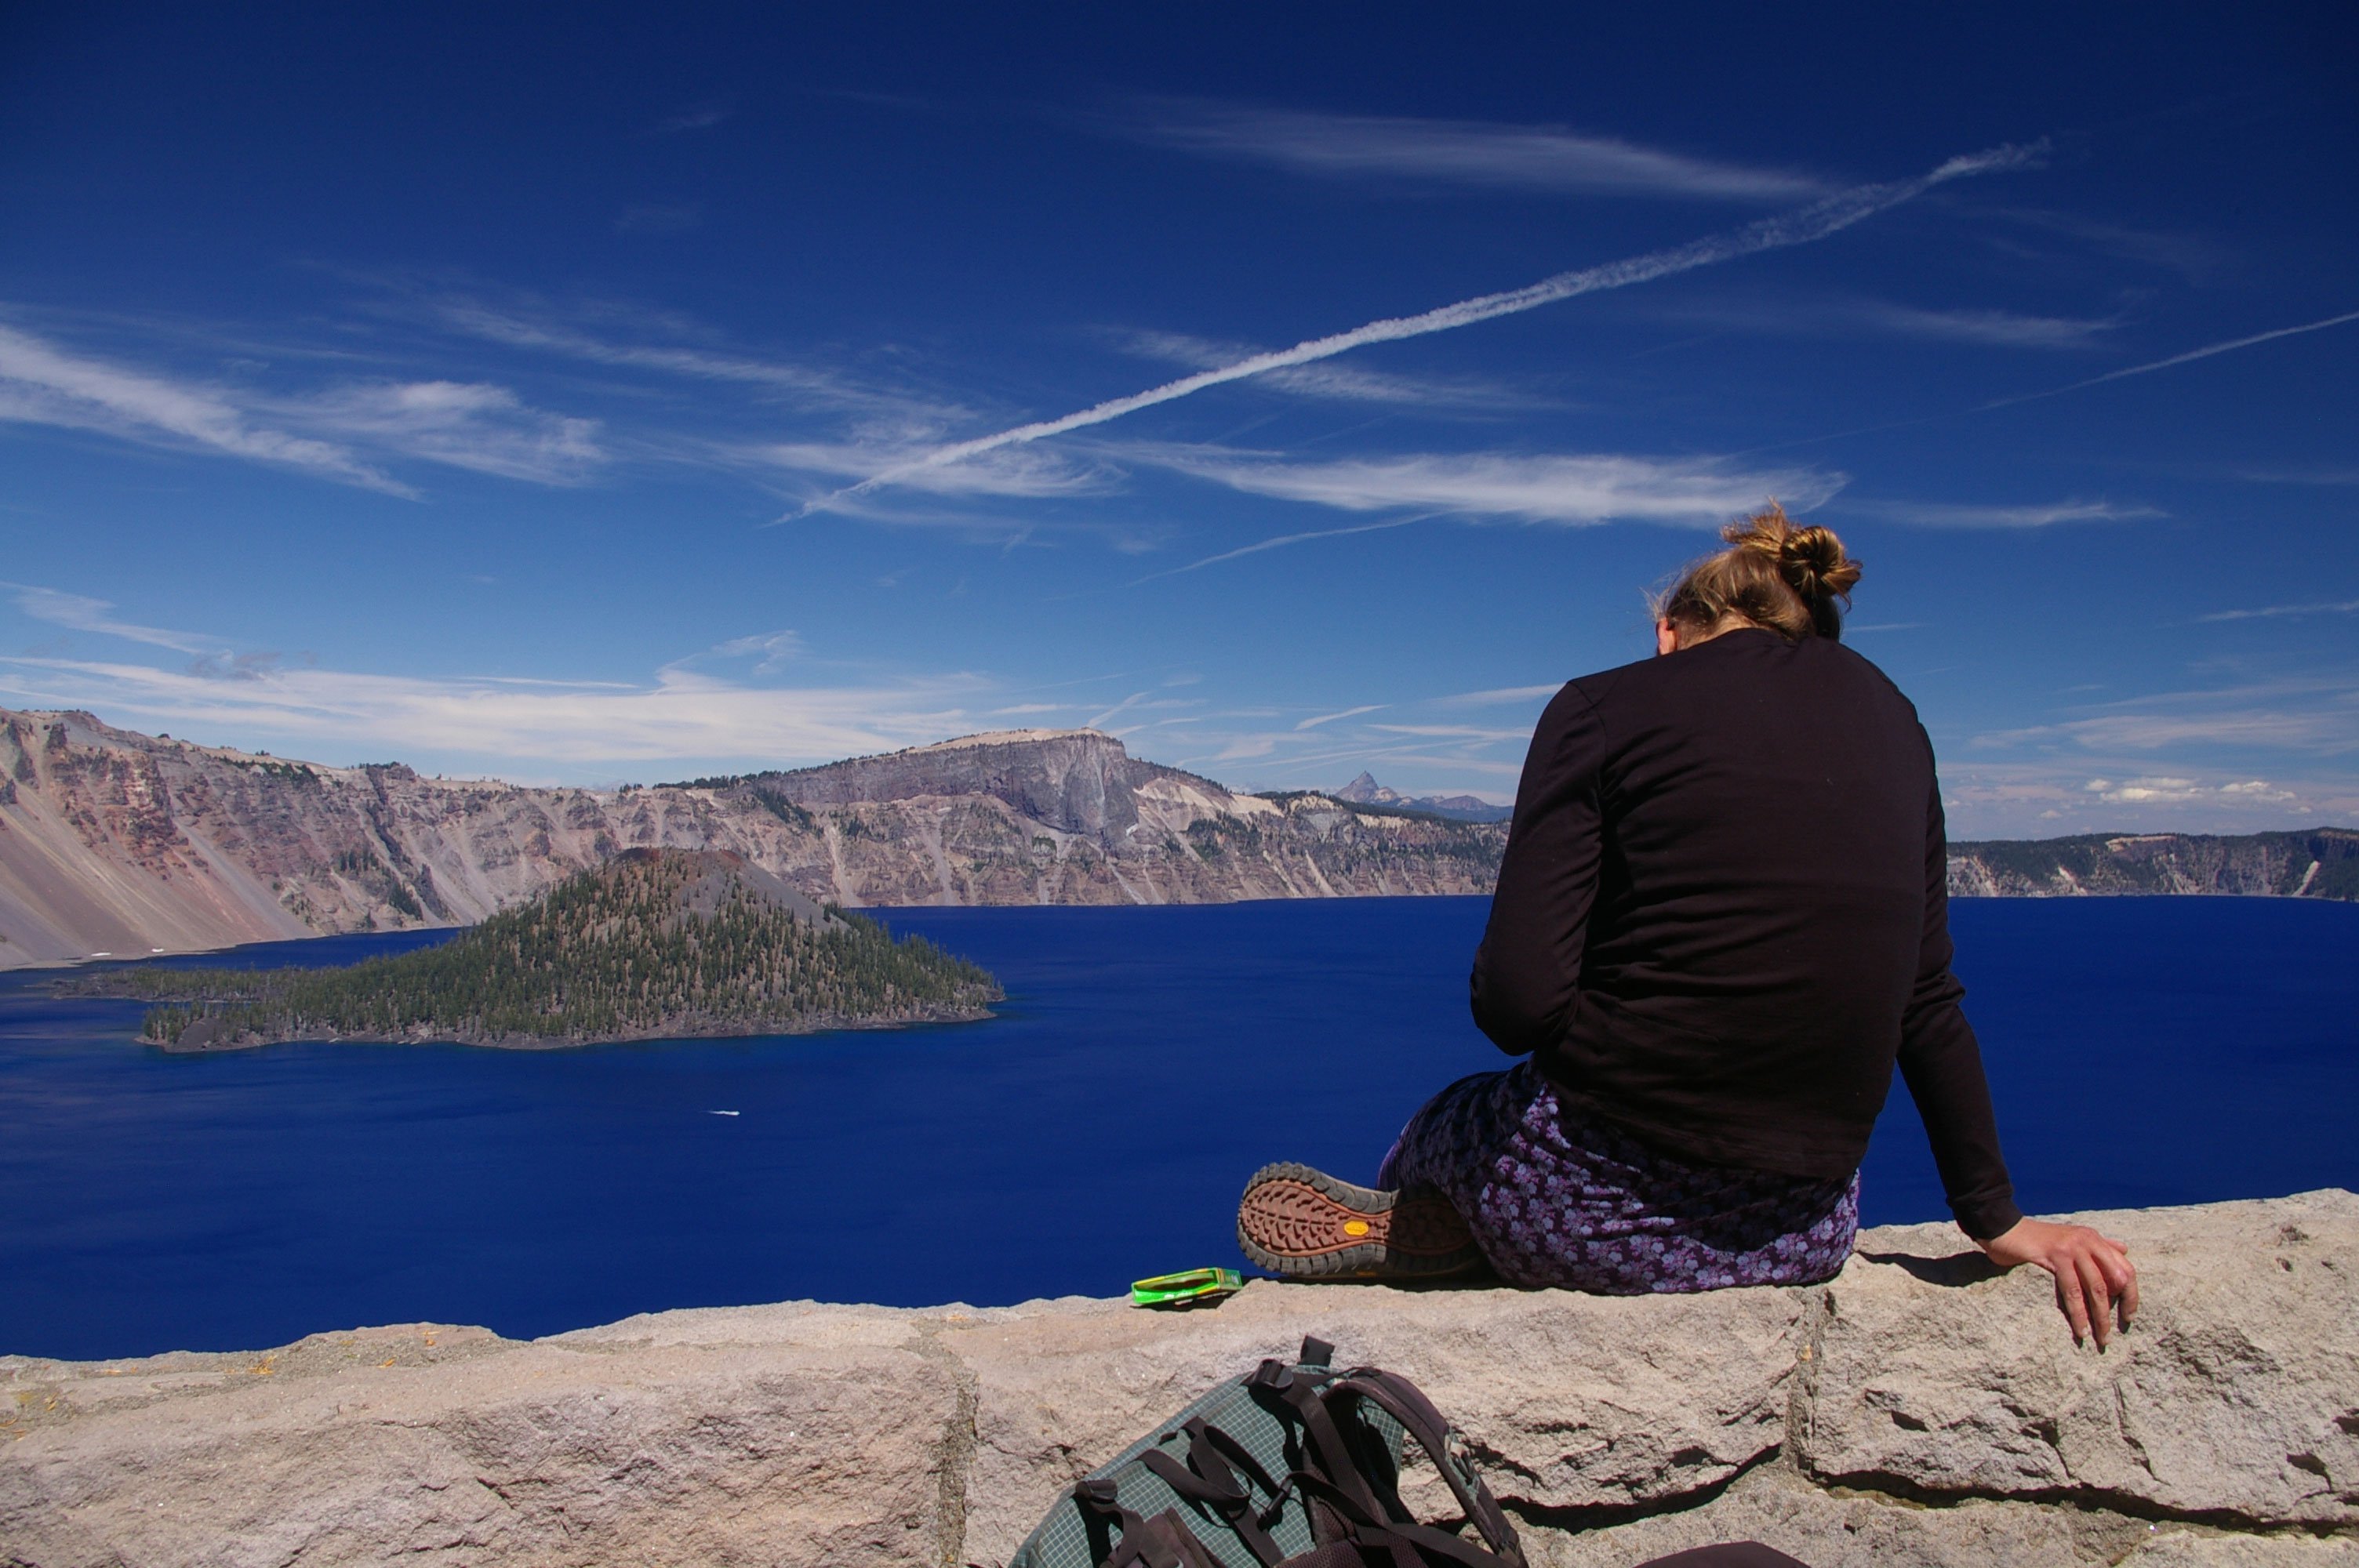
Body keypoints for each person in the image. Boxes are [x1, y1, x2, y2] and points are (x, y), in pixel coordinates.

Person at [1238, 505, 2139, 1345]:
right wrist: (1998, 1218)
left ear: (1668, 629)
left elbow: (1514, 1003)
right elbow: (1925, 994)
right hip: (1800, 1232)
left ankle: (1445, 1221)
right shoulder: (1898, 724)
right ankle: (1473, 1227)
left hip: (1580, 1214)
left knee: (1443, 1118)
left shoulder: (1601, 706)